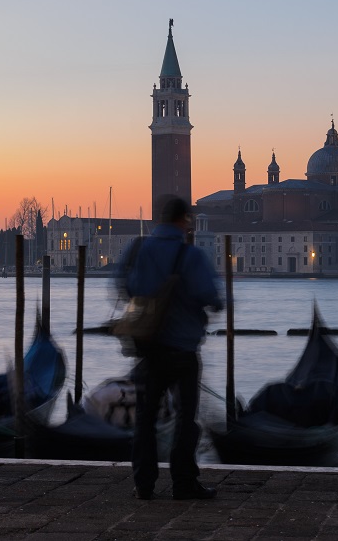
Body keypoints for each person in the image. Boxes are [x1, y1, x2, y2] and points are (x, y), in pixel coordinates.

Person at [119, 196, 223, 501]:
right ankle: (183, 482)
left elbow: (124, 286)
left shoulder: (138, 249)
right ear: (184, 220)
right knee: (185, 418)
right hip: (182, 350)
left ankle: (144, 484)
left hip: (149, 347)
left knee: (146, 417)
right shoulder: (191, 256)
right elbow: (211, 296)